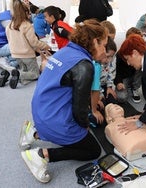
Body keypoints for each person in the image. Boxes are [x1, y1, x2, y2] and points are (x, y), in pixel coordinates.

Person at [19, 19, 108, 183]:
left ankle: (34, 132)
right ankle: (42, 155)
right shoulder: (84, 65)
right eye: (103, 45)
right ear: (95, 41)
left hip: (40, 111)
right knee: (93, 150)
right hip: (52, 119)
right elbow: (79, 110)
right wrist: (85, 126)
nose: (105, 50)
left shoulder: (67, 50)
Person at [6, 0, 51, 89]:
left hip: (15, 54)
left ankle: (10, 77)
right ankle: (16, 74)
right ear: (25, 13)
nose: (30, 15)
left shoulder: (9, 25)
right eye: (29, 12)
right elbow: (34, 42)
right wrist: (46, 46)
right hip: (27, 55)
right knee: (35, 74)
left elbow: (10, 40)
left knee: (24, 70)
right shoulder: (27, 25)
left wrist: (40, 52)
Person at [114, 27, 143, 104]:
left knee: (141, 67)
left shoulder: (142, 53)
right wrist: (118, 82)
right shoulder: (120, 54)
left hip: (136, 77)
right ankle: (129, 86)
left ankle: (135, 88)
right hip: (125, 78)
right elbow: (117, 70)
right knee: (121, 97)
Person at [0, 9, 18, 75]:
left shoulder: (4, 15)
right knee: (21, 47)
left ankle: (9, 67)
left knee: (17, 59)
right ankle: (5, 63)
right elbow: (16, 35)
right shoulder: (7, 20)